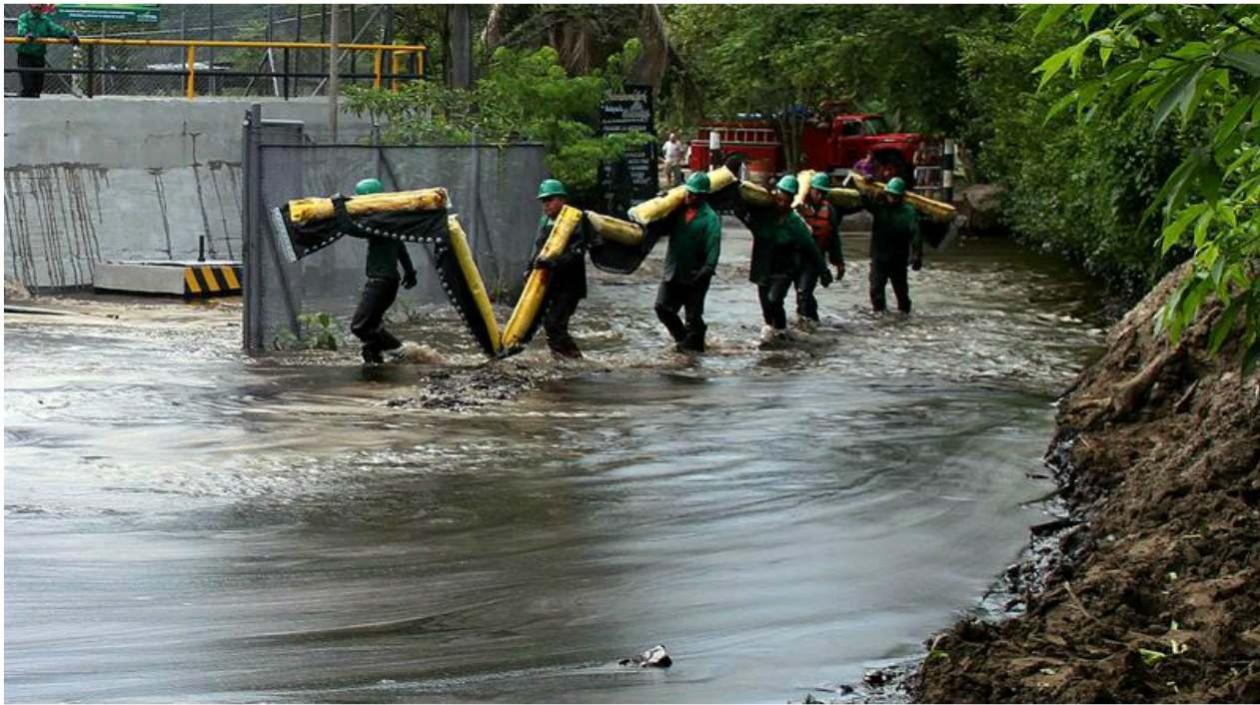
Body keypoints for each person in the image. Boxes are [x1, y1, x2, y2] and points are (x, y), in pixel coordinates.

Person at [742, 174, 832, 343]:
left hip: (783, 269)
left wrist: (823, 271)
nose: (783, 202)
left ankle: (782, 331)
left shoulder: (794, 222)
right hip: (763, 266)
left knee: (774, 299)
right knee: (766, 307)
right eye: (781, 197)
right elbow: (744, 212)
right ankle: (773, 333)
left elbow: (811, 247)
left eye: (788, 199)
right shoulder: (764, 213)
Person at [346, 178, 418, 364]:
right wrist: (410, 272)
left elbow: (351, 228)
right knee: (371, 327)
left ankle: (402, 352)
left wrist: (339, 207)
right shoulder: (390, 221)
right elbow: (401, 248)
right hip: (387, 282)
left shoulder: (378, 222)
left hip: (380, 282)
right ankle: (376, 365)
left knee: (359, 326)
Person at [655, 172, 722, 353]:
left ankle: (695, 345)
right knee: (662, 307)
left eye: (694, 194)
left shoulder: (710, 218)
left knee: (693, 315)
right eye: (688, 192)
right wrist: (661, 206)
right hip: (673, 270)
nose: (689, 196)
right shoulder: (678, 210)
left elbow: (714, 246)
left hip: (696, 274)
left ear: (703, 196)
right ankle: (682, 339)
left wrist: (708, 268)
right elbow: (660, 229)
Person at [529, 178, 590, 358]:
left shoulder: (577, 220)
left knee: (555, 323)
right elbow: (539, 248)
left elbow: (576, 254)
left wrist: (552, 263)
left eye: (550, 200)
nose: (546, 205)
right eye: (543, 201)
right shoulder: (545, 222)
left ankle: (574, 360)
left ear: (562, 199)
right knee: (550, 324)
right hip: (552, 283)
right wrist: (530, 268)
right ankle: (562, 358)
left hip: (570, 285)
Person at [793, 172, 849, 327]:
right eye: (817, 191)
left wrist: (839, 262)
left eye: (823, 192)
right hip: (796, 257)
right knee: (801, 294)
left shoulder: (829, 210)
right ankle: (809, 319)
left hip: (815, 260)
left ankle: (809, 323)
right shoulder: (798, 206)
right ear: (810, 189)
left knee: (804, 292)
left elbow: (833, 238)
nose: (819, 195)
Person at [861, 176, 923, 315]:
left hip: (899, 260)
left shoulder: (909, 212)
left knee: (901, 294)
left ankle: (905, 316)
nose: (892, 199)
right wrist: (866, 186)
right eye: (890, 195)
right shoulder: (879, 206)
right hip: (879, 258)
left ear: (901, 197)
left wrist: (917, 255)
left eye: (895, 196)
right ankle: (880, 315)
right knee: (876, 291)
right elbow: (864, 202)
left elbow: (916, 234)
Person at [15, 4, 78, 99]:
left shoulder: (45, 20)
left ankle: (35, 108)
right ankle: (26, 106)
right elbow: (21, 29)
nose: (38, 8)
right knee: (28, 85)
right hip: (25, 56)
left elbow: (56, 29)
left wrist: (69, 34)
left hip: (39, 56)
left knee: (38, 87)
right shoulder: (24, 18)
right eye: (35, 6)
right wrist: (27, 34)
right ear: (30, 6)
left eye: (40, 6)